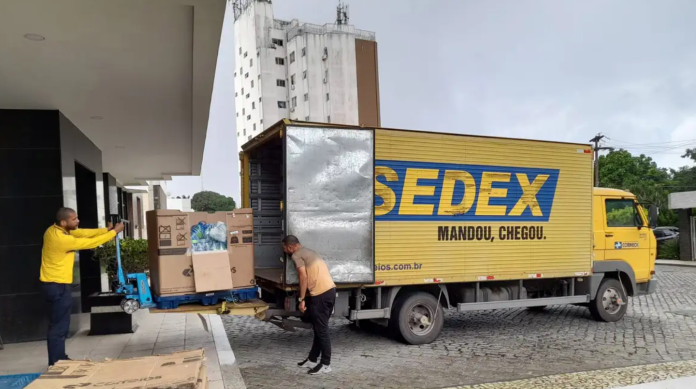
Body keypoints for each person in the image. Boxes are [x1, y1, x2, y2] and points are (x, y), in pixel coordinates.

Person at [40, 207, 123, 366]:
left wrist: (106, 229)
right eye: (74, 219)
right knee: (59, 327)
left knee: (58, 325)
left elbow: (83, 233)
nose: (78, 221)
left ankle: (59, 359)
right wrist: (114, 233)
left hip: (53, 285)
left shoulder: (54, 230)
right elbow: (88, 242)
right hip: (58, 286)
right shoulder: (62, 239)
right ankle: (57, 363)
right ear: (64, 222)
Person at [282, 235, 336, 375]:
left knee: (322, 330)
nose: (284, 250)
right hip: (330, 291)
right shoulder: (309, 252)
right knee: (319, 328)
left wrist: (302, 299)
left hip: (321, 295)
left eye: (284, 247)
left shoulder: (296, 255)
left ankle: (326, 364)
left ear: (290, 246)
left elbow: (303, 276)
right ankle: (312, 359)